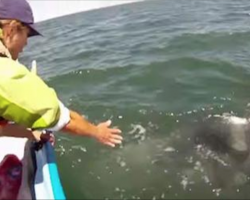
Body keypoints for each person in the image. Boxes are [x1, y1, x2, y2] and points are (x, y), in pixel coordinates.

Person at [0, 0, 123, 148]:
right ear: (12, 30)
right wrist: (97, 131)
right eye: (27, 34)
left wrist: (33, 134)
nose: (26, 43)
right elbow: (60, 118)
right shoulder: (5, 74)